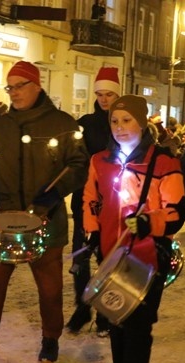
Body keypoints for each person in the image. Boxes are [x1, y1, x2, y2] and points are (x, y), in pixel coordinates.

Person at [0, 61, 89, 363]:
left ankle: (50, 337)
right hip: (3, 221)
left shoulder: (63, 123)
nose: (13, 93)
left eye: (19, 86)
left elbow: (79, 164)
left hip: (46, 222)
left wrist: (49, 199)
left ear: (36, 86)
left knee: (50, 291)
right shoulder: (1, 125)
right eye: (9, 87)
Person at [83, 95, 185, 363]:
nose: (120, 128)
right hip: (112, 255)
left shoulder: (164, 162)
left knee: (139, 326)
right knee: (117, 321)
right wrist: (94, 232)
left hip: (148, 256)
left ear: (142, 123)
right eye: (115, 121)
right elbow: (91, 199)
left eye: (127, 120)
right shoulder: (100, 160)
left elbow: (178, 211)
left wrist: (150, 222)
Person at [66, 66, 121, 335]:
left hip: (115, 200)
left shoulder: (124, 122)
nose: (103, 99)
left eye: (109, 93)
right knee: (80, 256)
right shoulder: (86, 123)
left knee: (108, 258)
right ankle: (82, 306)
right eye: (99, 94)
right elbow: (76, 159)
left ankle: (104, 314)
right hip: (86, 198)